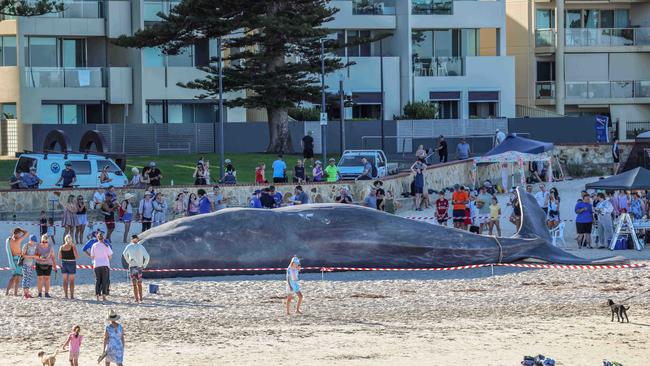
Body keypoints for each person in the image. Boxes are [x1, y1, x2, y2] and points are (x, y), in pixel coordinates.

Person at [122, 234, 150, 303]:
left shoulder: (129, 246)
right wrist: (144, 265)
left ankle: (136, 299)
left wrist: (128, 261)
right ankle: (140, 298)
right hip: (139, 266)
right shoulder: (141, 246)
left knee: (134, 284)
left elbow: (124, 254)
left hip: (132, 266)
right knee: (139, 283)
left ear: (132, 239)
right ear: (137, 239)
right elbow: (147, 257)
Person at [90, 232, 113, 302]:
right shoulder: (106, 245)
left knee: (97, 281)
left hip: (97, 265)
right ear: (103, 238)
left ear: (97, 238)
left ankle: (97, 296)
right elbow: (110, 256)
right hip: (105, 264)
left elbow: (92, 256)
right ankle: (104, 296)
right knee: (104, 281)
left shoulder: (94, 245)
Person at [5, 227, 27, 296]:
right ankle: (15, 293)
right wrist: (21, 229)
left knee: (14, 276)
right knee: (18, 277)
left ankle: (7, 292)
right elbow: (26, 233)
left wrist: (16, 232)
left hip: (13, 259)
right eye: (19, 234)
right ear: (17, 234)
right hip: (18, 260)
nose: (20, 235)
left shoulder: (9, 240)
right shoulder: (18, 240)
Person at [35, 234, 57, 298]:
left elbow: (53, 257)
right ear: (41, 241)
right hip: (39, 264)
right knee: (40, 279)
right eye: (43, 241)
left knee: (47, 279)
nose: (44, 243)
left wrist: (55, 266)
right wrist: (40, 257)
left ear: (48, 241)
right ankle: (39, 293)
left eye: (46, 242)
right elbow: (35, 255)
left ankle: (47, 293)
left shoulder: (50, 247)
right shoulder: (38, 246)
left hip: (48, 264)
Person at [58, 234, 79, 299]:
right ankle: (72, 295)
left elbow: (59, 257)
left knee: (65, 280)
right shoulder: (73, 247)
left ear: (65, 239)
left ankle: (66, 295)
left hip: (64, 263)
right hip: (72, 262)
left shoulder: (61, 247)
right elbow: (76, 256)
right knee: (72, 281)